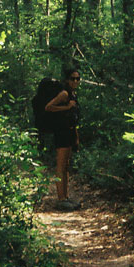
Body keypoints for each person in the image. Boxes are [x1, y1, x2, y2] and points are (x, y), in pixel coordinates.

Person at [45, 68, 81, 211]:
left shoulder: (72, 94)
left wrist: (76, 137)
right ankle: (60, 199)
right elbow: (48, 107)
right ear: (67, 80)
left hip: (70, 132)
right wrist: (66, 107)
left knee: (66, 166)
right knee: (60, 165)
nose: (76, 81)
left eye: (78, 79)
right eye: (73, 78)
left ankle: (65, 197)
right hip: (61, 133)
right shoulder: (64, 94)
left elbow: (74, 118)